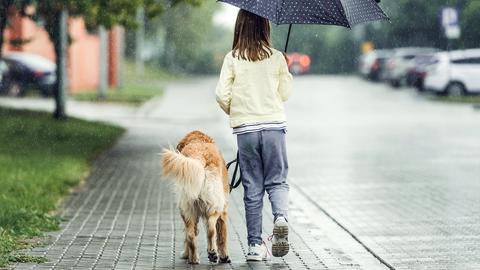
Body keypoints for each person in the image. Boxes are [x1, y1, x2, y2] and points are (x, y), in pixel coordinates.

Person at [215, 9, 293, 261]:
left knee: (252, 188)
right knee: (277, 181)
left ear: (240, 27)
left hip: (246, 131)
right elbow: (284, 94)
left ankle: (254, 247)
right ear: (265, 28)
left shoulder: (233, 57)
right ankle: (280, 217)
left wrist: (235, 111)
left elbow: (221, 94)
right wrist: (286, 69)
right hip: (273, 128)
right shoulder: (277, 57)